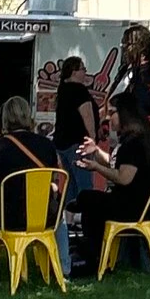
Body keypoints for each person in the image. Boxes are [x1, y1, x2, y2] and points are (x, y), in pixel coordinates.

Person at [0, 96, 71, 280]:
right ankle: (64, 269)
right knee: (60, 218)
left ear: (4, 118)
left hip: (11, 217)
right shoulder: (47, 145)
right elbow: (56, 180)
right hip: (44, 217)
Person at [73, 112, 150, 275]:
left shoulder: (133, 143)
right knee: (89, 201)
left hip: (137, 207)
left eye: (113, 112)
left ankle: (95, 258)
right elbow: (119, 164)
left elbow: (123, 177)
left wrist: (96, 167)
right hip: (148, 204)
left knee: (88, 200)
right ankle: (95, 255)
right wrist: (96, 151)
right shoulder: (143, 139)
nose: (109, 118)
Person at [52, 56, 98, 204]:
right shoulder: (79, 90)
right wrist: (93, 139)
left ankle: (69, 219)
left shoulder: (63, 89)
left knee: (70, 183)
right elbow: (87, 116)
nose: (85, 72)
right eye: (83, 69)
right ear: (74, 72)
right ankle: (85, 218)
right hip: (78, 142)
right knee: (85, 184)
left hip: (61, 143)